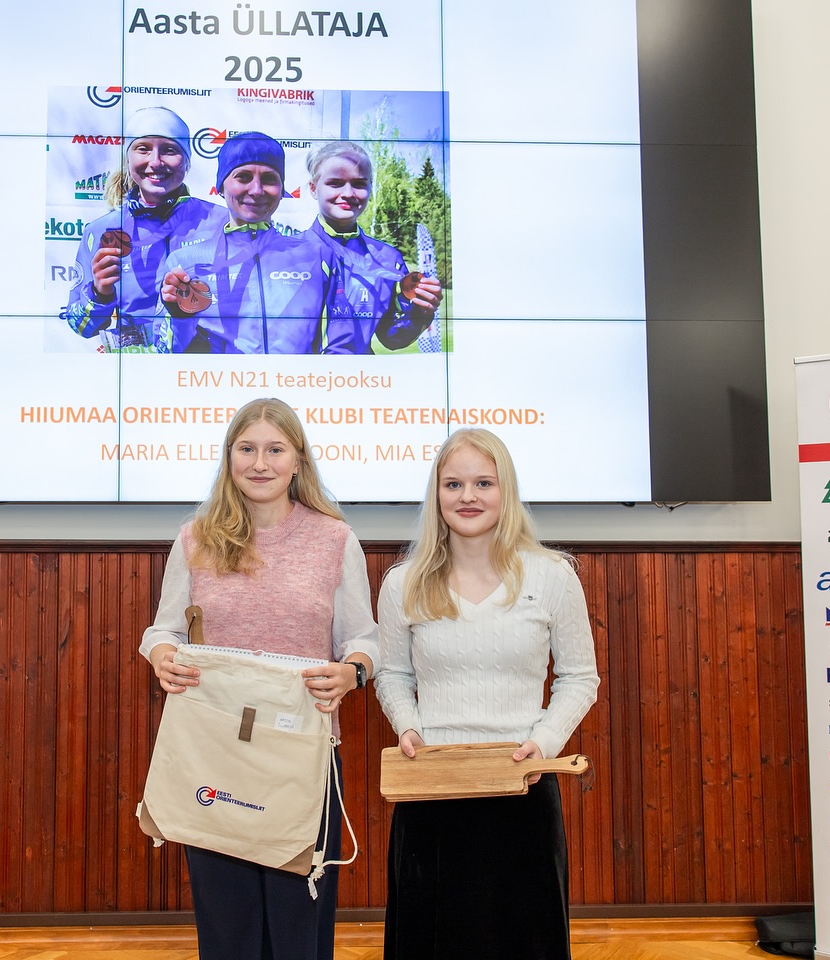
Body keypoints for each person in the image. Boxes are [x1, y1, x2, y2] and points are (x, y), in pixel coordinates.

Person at [140, 397, 378, 959]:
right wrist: (162, 654)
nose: (260, 463)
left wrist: (352, 672)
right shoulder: (195, 538)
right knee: (227, 928)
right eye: (247, 449)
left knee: (299, 925)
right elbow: (162, 629)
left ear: (298, 459)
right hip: (215, 753)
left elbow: (365, 641)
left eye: (275, 449)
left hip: (301, 754)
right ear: (229, 458)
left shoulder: (334, 540)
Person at [374, 428, 600, 960]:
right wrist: (410, 729)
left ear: (507, 492)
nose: (468, 496)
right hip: (432, 789)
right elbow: (393, 676)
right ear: (437, 495)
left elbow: (579, 677)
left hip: (521, 787)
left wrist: (543, 744)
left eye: (483, 483)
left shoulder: (552, 576)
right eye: (453, 484)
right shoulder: (402, 583)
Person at [157, 132, 360, 354]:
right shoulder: (184, 263)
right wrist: (181, 319)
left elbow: (343, 344)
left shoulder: (317, 254)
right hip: (219, 387)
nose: (256, 190)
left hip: (294, 387)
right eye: (243, 177)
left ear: (282, 190)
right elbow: (171, 355)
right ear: (220, 188)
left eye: (269, 179)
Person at [63, 106, 227, 349]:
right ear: (128, 159)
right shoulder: (101, 231)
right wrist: (100, 293)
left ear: (187, 161)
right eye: (143, 149)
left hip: (199, 374)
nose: (156, 162)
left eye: (170, 150)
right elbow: (81, 327)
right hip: (134, 374)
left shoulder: (222, 223)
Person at [304, 140, 442, 352]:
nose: (348, 193)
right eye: (335, 183)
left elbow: (392, 338)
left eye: (359, 183)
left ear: (370, 187)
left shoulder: (387, 258)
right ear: (313, 188)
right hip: (299, 381)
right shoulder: (286, 252)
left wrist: (420, 311)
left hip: (361, 380)